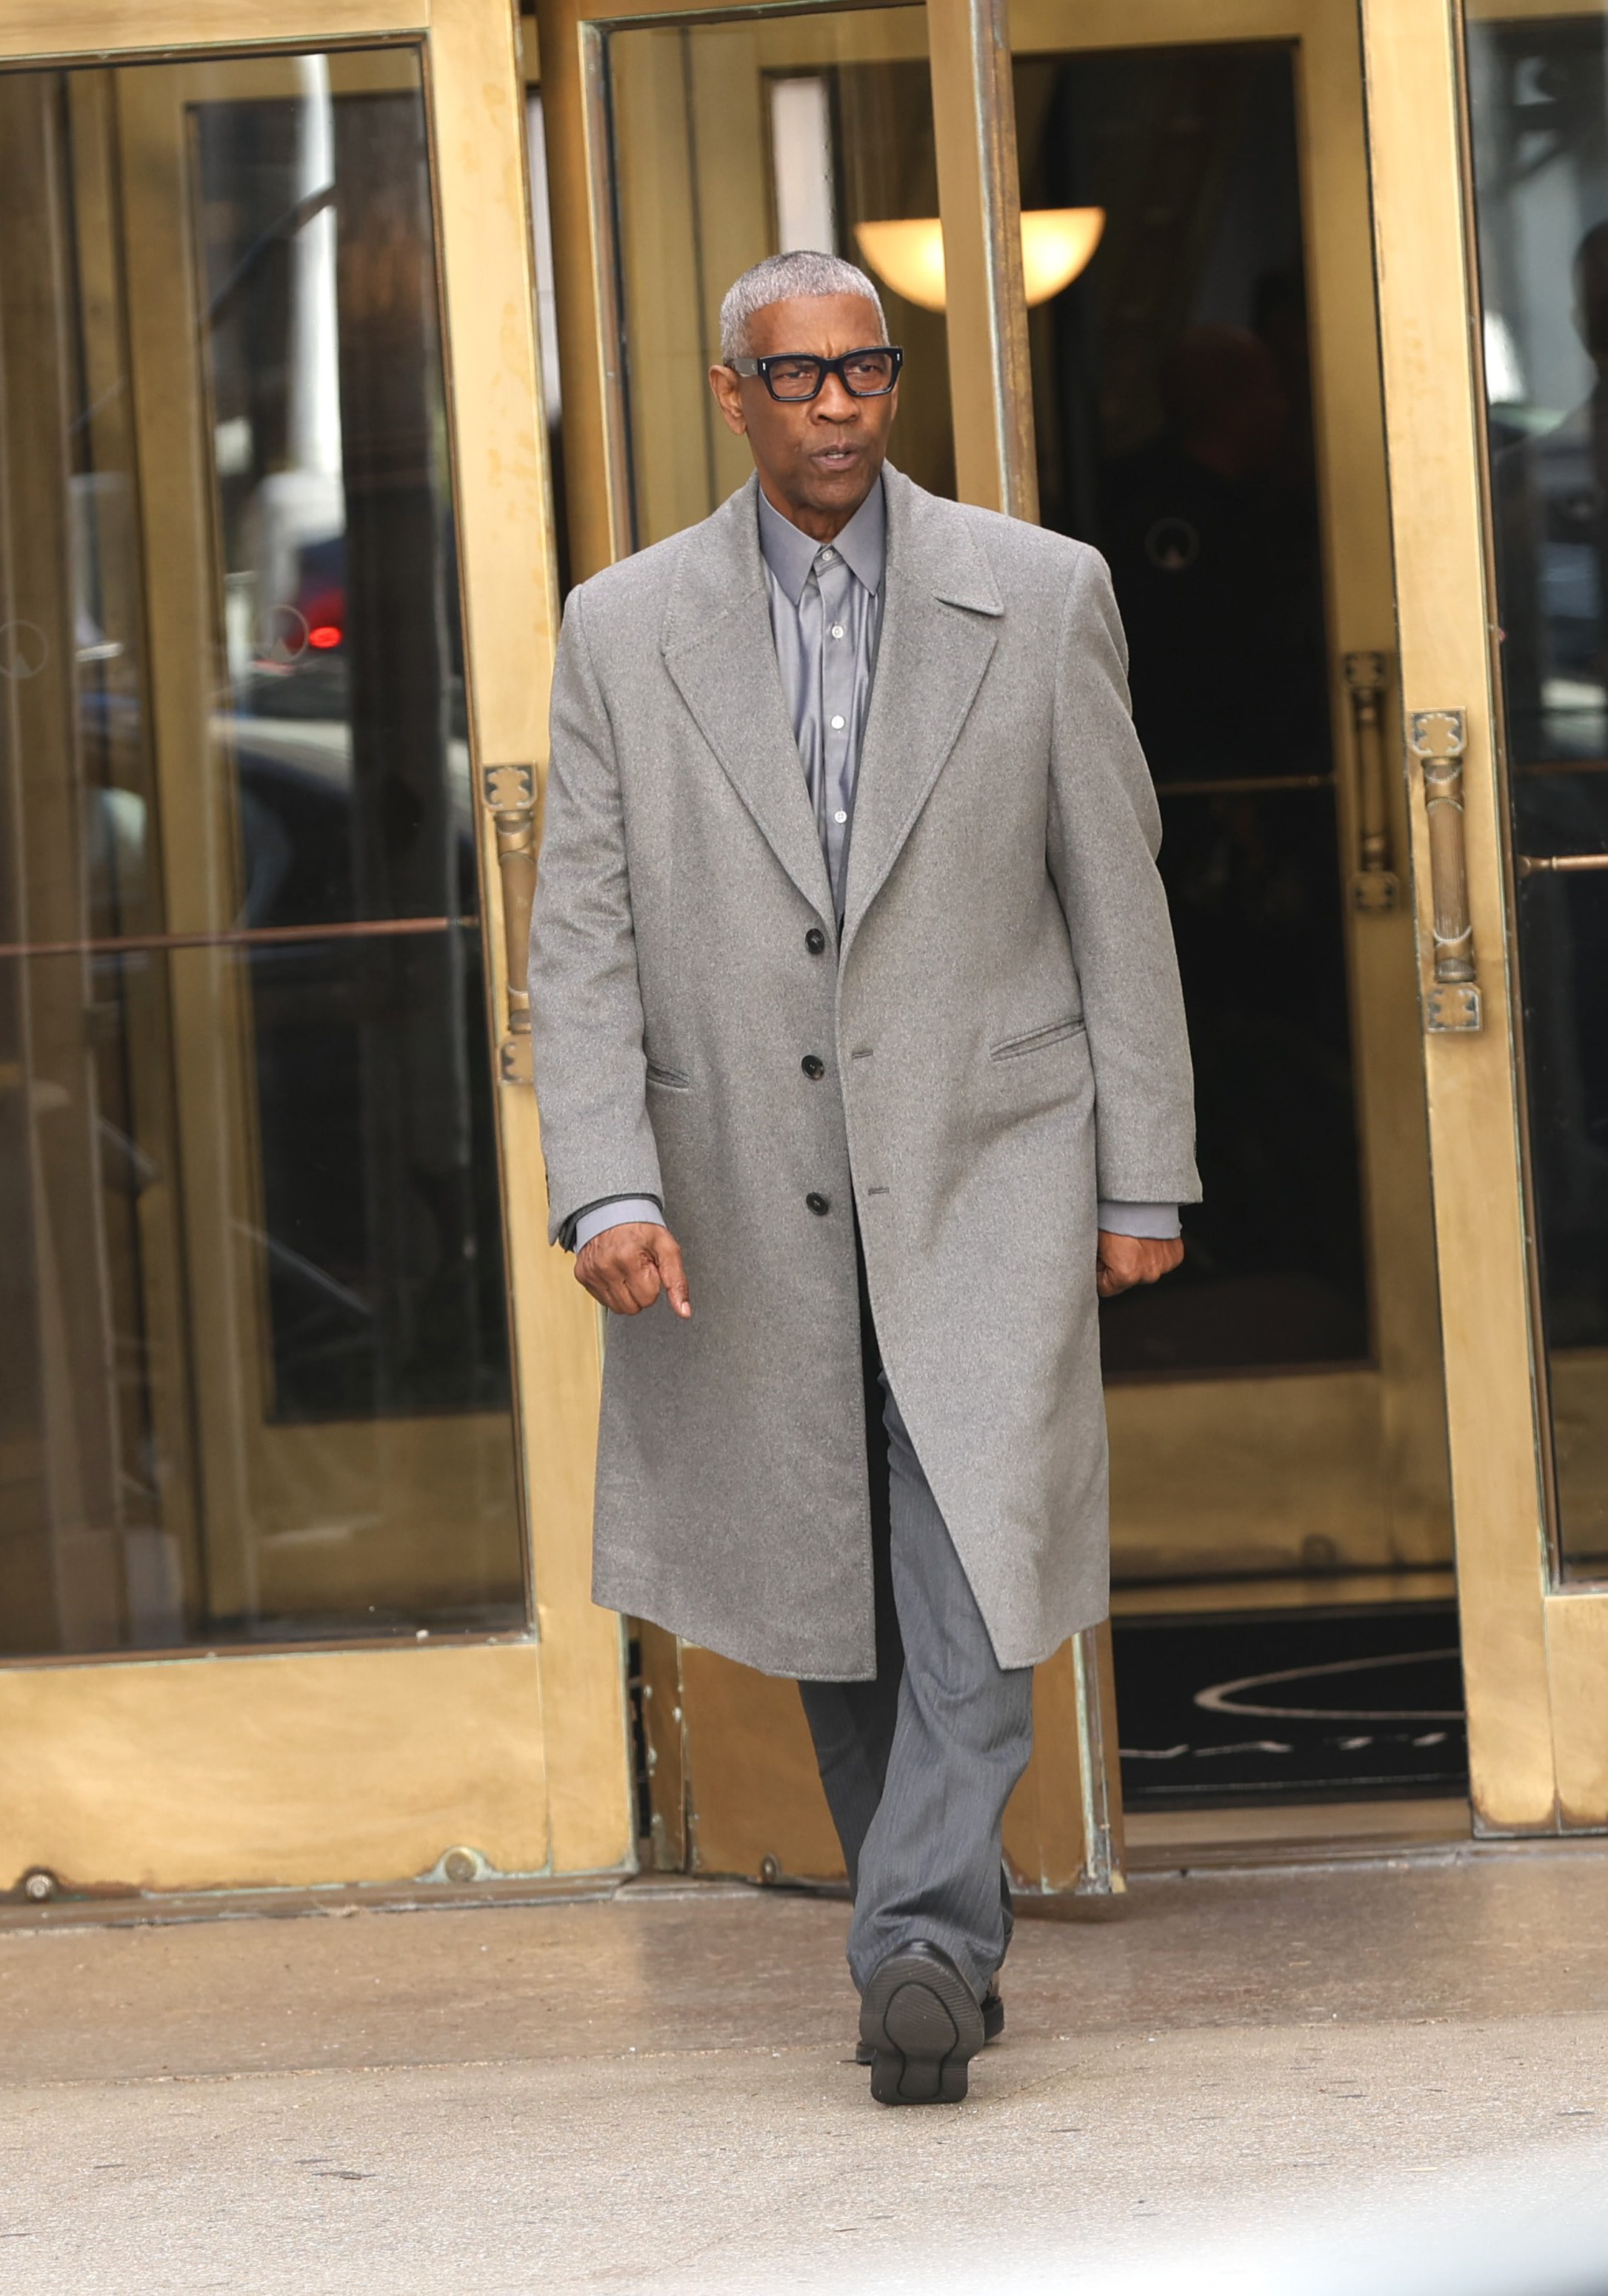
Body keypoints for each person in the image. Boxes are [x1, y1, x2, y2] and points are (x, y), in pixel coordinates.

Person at [529, 250, 1197, 2106]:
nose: (835, 406)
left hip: (989, 1157)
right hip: (739, 1181)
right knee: (830, 1580)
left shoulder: (1041, 593)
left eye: (865, 373)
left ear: (892, 388)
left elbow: (1115, 901)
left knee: (979, 1550)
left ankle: (913, 1940)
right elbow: (577, 930)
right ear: (732, 395)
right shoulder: (622, 624)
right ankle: (934, 1949)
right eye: (796, 377)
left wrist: (1147, 1171)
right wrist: (606, 1181)